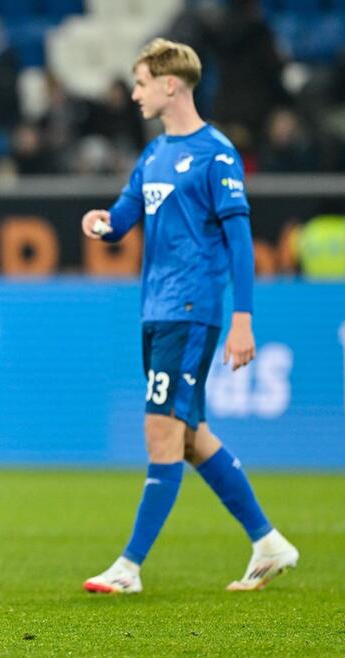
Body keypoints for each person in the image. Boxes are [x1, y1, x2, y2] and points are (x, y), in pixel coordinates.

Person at [80, 39, 298, 594]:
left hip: (191, 308)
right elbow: (125, 218)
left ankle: (129, 567)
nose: (134, 94)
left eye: (142, 83)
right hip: (154, 310)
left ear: (170, 85)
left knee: (161, 431)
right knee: (190, 433)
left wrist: (242, 318)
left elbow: (240, 240)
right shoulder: (153, 155)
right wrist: (102, 222)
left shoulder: (216, 153)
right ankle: (268, 542)